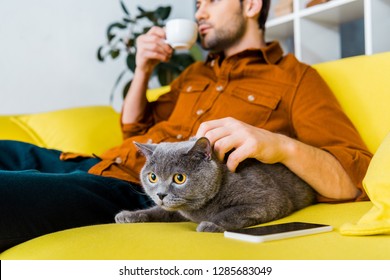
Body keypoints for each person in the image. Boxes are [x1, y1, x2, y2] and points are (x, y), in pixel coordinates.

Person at [0, 0, 372, 253]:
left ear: (251, 5)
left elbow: (355, 175)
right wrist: (142, 70)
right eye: (196, 6)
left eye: (209, 2)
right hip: (88, 160)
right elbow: (136, 133)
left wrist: (280, 146)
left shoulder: (295, 78)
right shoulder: (193, 74)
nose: (199, 14)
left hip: (132, 191)